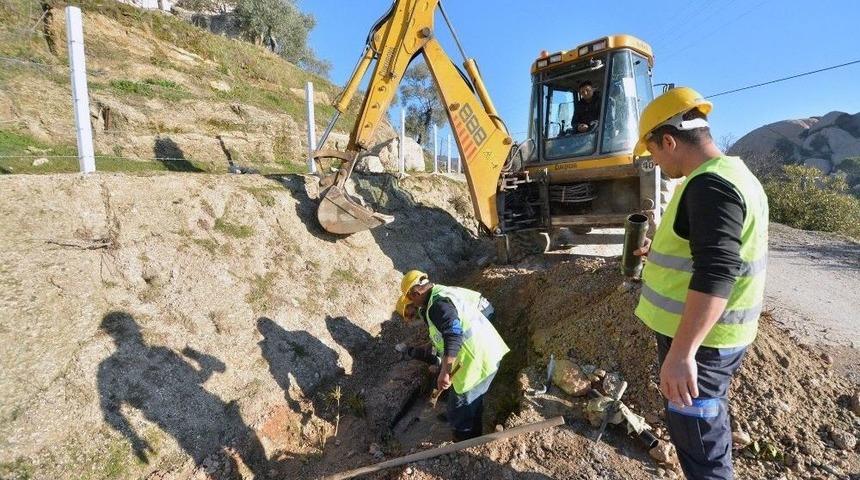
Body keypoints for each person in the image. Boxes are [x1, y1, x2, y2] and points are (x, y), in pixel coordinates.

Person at [631, 87, 769, 479]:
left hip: (702, 343)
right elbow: (709, 254)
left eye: (654, 152)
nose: (656, 163)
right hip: (711, 339)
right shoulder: (732, 176)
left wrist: (682, 352)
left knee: (699, 446)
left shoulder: (710, 186)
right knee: (699, 432)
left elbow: (717, 271)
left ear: (669, 141)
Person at [395, 270, 509, 441]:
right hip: (486, 353)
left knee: (460, 409)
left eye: (411, 300)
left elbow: (454, 335)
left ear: (416, 293)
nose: (414, 305)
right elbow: (443, 337)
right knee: (471, 402)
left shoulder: (437, 305)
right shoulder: (440, 293)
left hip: (476, 362)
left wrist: (445, 372)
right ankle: (474, 434)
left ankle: (463, 445)